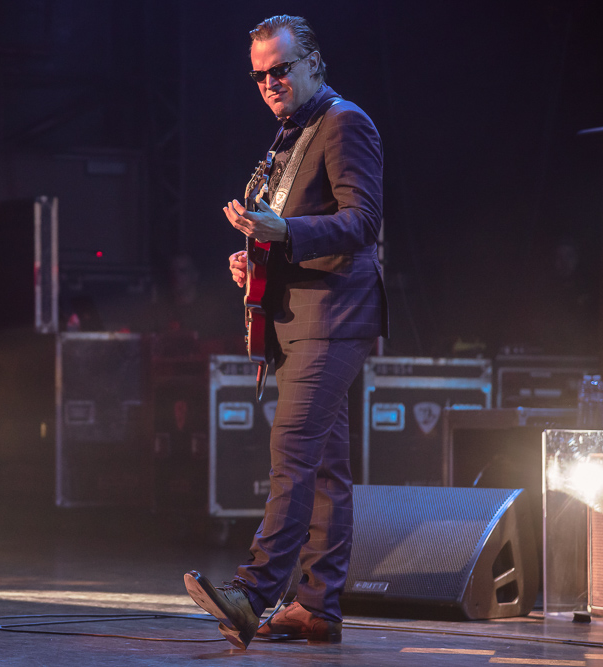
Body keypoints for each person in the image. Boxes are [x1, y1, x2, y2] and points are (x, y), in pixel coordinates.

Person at [183, 14, 387, 650]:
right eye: (260, 75)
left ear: (313, 64)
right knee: (325, 469)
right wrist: (258, 256)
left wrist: (286, 233)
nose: (269, 82)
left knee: (291, 456)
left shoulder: (345, 122)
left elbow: (363, 221)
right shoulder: (287, 139)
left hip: (332, 319)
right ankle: (317, 606)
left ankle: (252, 591)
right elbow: (291, 229)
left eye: (281, 69)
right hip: (297, 318)